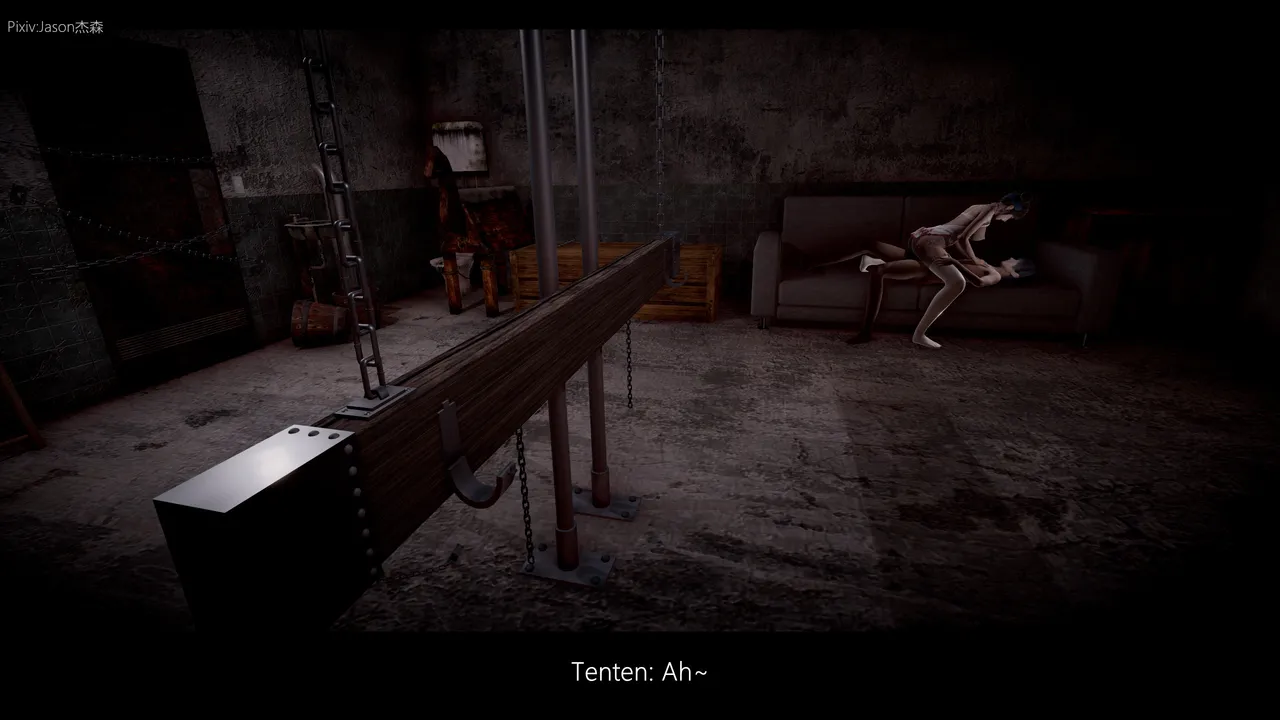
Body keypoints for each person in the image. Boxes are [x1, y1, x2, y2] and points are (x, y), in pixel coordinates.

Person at [842, 193, 1031, 348]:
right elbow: (964, 238)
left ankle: (874, 260)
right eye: (1011, 217)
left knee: (926, 268)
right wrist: (971, 260)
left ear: (1016, 273)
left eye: (1015, 261)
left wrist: (969, 260)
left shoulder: (983, 211)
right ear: (1009, 208)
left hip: (925, 237)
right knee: (957, 283)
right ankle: (919, 334)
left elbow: (963, 239)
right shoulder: (989, 210)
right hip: (932, 241)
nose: (1007, 220)